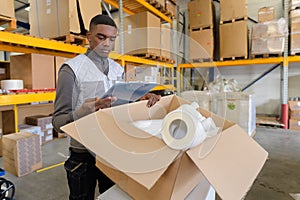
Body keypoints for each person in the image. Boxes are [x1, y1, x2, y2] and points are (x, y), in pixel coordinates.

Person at [52, 14, 161, 200]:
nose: (106, 44)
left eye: (112, 39)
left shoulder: (117, 69)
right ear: (88, 37)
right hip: (83, 155)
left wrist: (140, 98)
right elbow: (57, 122)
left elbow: (120, 102)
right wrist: (82, 112)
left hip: (110, 150)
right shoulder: (71, 70)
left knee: (111, 196)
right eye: (100, 37)